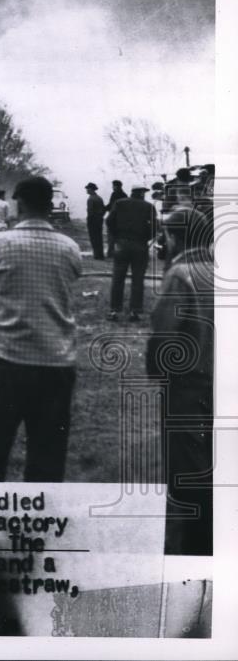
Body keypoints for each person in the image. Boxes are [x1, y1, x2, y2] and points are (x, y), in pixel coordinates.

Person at [0, 176, 82, 482]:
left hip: (6, 362)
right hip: (56, 363)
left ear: (21, 203)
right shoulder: (70, 248)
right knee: (48, 457)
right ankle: (41, 521)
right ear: (50, 205)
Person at [146, 206, 214, 555]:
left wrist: (156, 371)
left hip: (186, 390)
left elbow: (164, 339)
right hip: (222, 387)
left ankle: (191, 554)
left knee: (187, 477)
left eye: (166, 235)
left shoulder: (180, 273)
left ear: (175, 237)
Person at [107, 183, 157, 322]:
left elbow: (109, 220)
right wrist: (146, 237)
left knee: (118, 278)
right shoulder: (148, 207)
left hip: (121, 244)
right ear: (141, 193)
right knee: (138, 279)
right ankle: (135, 312)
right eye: (144, 192)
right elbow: (154, 227)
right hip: (140, 245)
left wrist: (117, 235)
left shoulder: (119, 203)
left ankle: (114, 311)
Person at [105, 180, 127, 258]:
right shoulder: (124, 195)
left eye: (113, 186)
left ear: (117, 186)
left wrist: (104, 209)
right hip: (120, 219)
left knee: (111, 236)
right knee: (119, 237)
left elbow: (111, 205)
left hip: (114, 218)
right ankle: (119, 253)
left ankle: (110, 253)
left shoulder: (115, 194)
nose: (112, 187)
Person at [84, 182, 105, 260]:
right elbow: (103, 210)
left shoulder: (90, 199)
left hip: (92, 220)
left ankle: (97, 255)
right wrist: (100, 217)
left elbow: (90, 211)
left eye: (88, 188)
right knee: (99, 237)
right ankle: (100, 255)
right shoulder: (99, 198)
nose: (86, 190)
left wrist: (89, 220)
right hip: (99, 220)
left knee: (93, 238)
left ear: (91, 189)